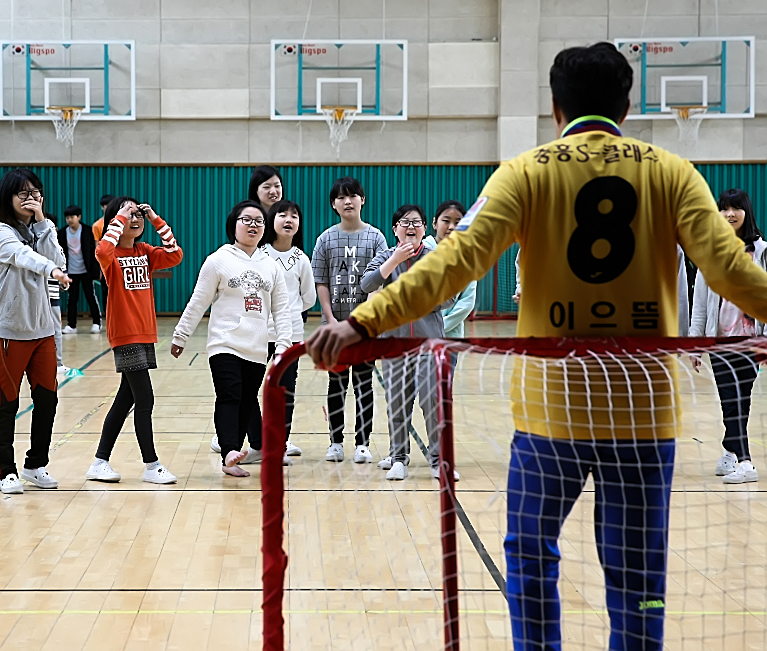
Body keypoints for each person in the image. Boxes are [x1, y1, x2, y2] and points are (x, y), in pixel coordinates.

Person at [305, 42, 767, 650]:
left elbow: (455, 261)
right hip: (646, 411)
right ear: (628, 106)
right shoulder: (671, 172)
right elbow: (732, 273)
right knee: (638, 576)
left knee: (530, 557)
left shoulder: (527, 171)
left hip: (552, 410)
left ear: (554, 107)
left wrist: (364, 322)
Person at [171, 201, 292, 477]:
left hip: (257, 347)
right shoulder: (218, 260)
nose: (253, 225)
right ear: (233, 225)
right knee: (229, 395)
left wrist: (284, 347)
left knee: (247, 399)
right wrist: (181, 334)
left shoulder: (271, 266)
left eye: (259, 221)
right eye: (246, 220)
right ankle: (228, 451)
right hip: (224, 343)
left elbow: (282, 310)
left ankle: (233, 456)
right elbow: (198, 301)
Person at [86, 197, 183, 485]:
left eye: (137, 213)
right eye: (127, 214)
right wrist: (119, 218)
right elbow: (102, 247)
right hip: (125, 334)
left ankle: (99, 461)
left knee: (125, 398)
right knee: (145, 398)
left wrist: (155, 218)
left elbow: (175, 254)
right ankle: (151, 464)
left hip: (145, 334)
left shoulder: (145, 251)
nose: (134, 218)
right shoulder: (110, 254)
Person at [0, 168, 70, 495]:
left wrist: (45, 224)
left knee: (47, 401)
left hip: (42, 332)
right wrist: (49, 268)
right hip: (9, 331)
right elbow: (26, 257)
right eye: (23, 193)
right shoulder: (3, 233)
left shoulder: (43, 229)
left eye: (35, 192)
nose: (30, 198)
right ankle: (6, 471)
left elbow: (57, 259)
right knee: (7, 402)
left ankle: (35, 465)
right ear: (8, 199)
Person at [362, 204, 446, 481]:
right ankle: (399, 457)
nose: (411, 227)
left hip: (428, 344)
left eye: (417, 223)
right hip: (393, 344)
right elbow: (367, 285)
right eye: (404, 222)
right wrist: (394, 261)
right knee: (397, 402)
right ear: (395, 229)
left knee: (433, 401)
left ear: (425, 228)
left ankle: (438, 459)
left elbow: (449, 297)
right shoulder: (385, 257)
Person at [689, 188, 765, 484]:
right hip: (719, 341)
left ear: (747, 212)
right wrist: (696, 342)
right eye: (724, 209)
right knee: (729, 400)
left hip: (752, 341)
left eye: (736, 208)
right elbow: (700, 304)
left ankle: (735, 455)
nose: (730, 214)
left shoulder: (763, 252)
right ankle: (741, 459)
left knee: (741, 399)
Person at [310, 176, 387, 464]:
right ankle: (335, 442)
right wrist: (330, 319)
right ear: (333, 204)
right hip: (335, 329)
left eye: (353, 195)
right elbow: (321, 282)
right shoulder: (326, 239)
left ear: (362, 200)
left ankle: (363, 443)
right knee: (337, 385)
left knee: (365, 385)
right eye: (341, 197)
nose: (348, 201)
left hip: (365, 328)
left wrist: (363, 319)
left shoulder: (376, 238)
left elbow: (379, 280)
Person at [259, 199, 316, 462]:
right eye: (282, 214)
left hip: (291, 335)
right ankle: (256, 442)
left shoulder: (301, 259)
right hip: (258, 334)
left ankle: (279, 446)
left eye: (295, 215)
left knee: (285, 392)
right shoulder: (259, 254)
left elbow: (309, 299)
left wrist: (289, 313)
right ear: (272, 220)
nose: (289, 219)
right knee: (250, 390)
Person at [424, 200, 477, 342]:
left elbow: (467, 302)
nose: (452, 227)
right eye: (446, 221)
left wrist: (439, 327)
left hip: (450, 339)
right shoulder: (418, 252)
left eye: (458, 222)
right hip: (417, 336)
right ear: (435, 223)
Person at [59, 205, 101, 334]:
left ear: (79, 217)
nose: (70, 220)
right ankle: (71, 325)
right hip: (71, 271)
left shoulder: (88, 231)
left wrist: (97, 270)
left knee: (90, 296)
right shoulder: (62, 233)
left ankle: (96, 323)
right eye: (67, 217)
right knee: (72, 299)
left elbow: (94, 252)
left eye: (72, 217)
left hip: (86, 271)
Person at [44, 213, 69, 376]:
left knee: (55, 331)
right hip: (34, 299)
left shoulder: (58, 250)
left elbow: (64, 278)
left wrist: (64, 282)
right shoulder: (30, 247)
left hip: (52, 298)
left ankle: (58, 363)